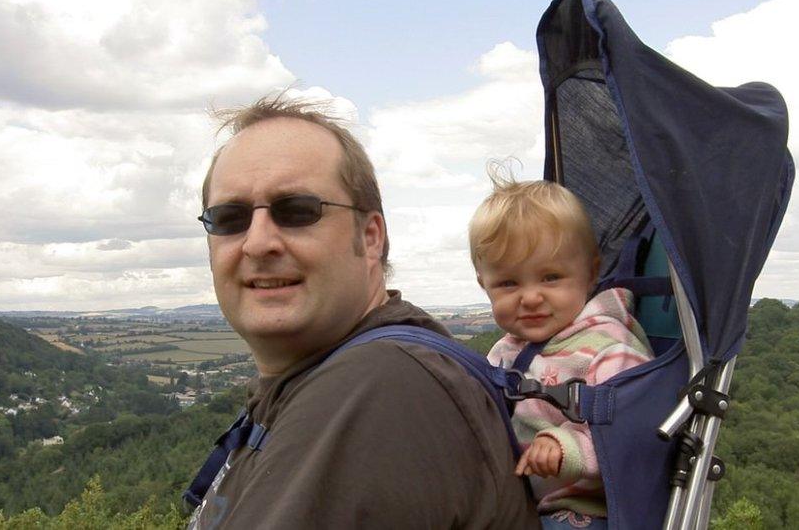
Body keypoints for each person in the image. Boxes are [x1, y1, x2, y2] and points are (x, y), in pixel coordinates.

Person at [188, 93, 540, 529]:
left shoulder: (380, 386)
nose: (258, 242)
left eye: (297, 210)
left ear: (371, 237)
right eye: (229, 218)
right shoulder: (314, 380)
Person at [469, 176, 654, 529]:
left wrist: (565, 446)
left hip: (588, 508)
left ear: (590, 272)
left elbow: (633, 438)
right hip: (521, 500)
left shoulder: (610, 348)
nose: (531, 297)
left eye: (551, 277)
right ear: (484, 284)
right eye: (509, 283)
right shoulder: (506, 352)